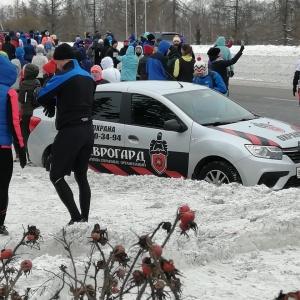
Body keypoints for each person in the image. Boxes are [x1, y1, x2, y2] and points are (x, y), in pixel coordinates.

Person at [36, 43, 96, 225]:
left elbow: (41, 95)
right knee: (81, 176)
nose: (56, 67)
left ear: (61, 61)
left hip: (70, 130)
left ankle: (75, 217)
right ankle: (84, 218)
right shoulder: (88, 76)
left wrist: (50, 103)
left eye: (56, 63)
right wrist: (57, 102)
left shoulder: (64, 75)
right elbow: (74, 95)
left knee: (56, 175)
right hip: (88, 129)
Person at [0, 53, 26, 235]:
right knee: (2, 187)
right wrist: (21, 148)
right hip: (3, 148)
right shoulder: (10, 93)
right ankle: (0, 224)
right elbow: (14, 122)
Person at [18, 63, 40, 163]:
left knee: (26, 134)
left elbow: (21, 99)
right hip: (36, 112)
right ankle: (36, 156)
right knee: (35, 135)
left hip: (26, 112)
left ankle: (29, 156)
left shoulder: (23, 84)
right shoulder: (37, 82)